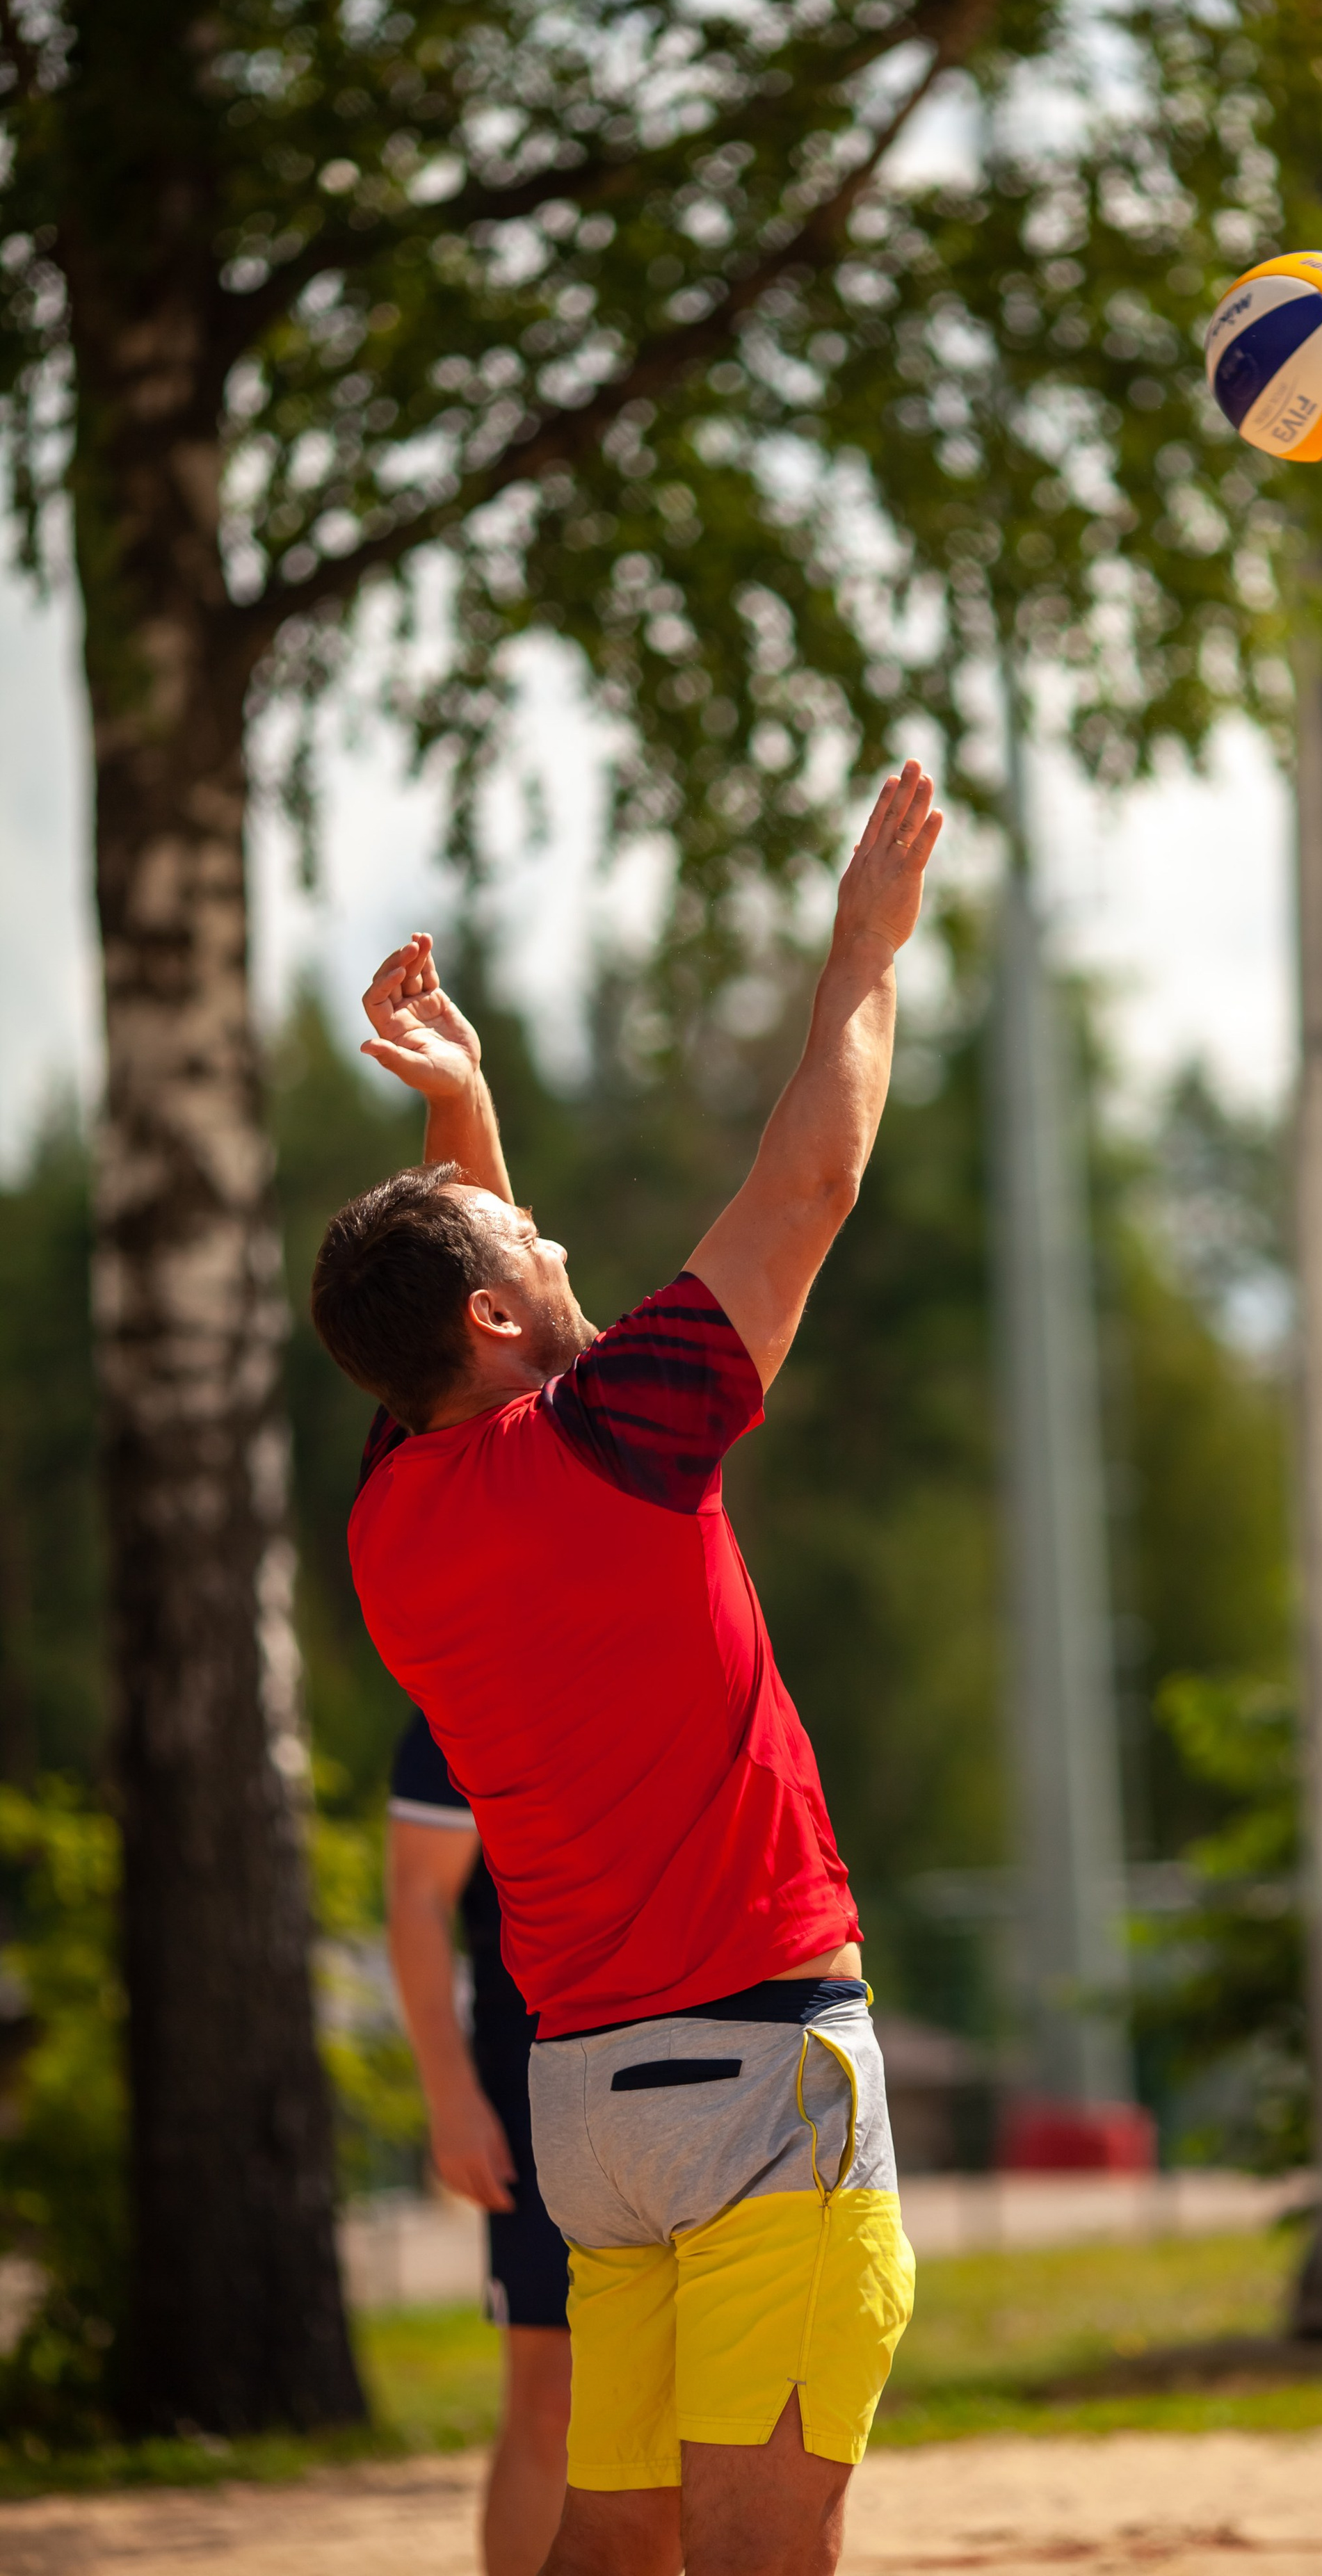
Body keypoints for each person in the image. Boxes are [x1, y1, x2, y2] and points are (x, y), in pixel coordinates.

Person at [310, 761, 942, 2576]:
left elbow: (461, 1332)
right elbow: (811, 1172)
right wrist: (862, 960)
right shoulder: (616, 1434)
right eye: (534, 1243)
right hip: (757, 2082)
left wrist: (468, 1117)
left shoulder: (391, 1526)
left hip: (594, 2108)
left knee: (611, 2543)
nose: (564, 1241)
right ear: (502, 1319)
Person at [386, 1705, 572, 2576]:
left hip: (695, 2058)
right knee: (552, 2400)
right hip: (532, 2081)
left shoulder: (671, 1647)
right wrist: (451, 2096)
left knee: (701, 2400)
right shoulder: (464, 1704)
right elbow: (417, 1895)